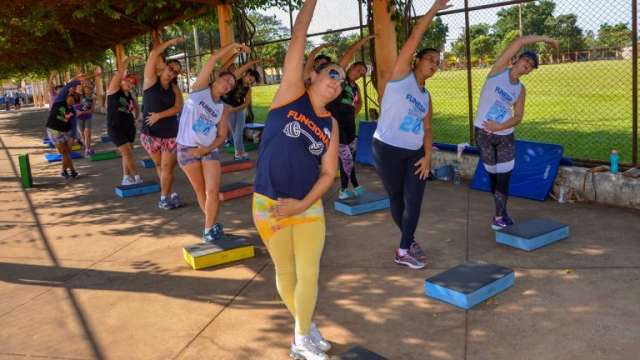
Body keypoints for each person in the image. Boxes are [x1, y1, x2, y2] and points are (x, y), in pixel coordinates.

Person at [252, 0, 342, 358]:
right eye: (332, 74)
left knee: (309, 273)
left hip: (307, 207)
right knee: (285, 272)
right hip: (268, 205)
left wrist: (303, 203)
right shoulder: (291, 94)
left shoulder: (330, 125)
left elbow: (328, 172)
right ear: (313, 77)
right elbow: (299, 33)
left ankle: (300, 340)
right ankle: (306, 328)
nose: (337, 82)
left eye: (343, 80)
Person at [372, 0, 451, 270]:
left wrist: (428, 156)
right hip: (386, 149)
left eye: (437, 63)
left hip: (415, 152)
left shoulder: (427, 97)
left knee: (414, 200)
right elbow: (416, 34)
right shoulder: (400, 75)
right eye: (430, 59)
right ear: (416, 60)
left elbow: (428, 128)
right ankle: (410, 240)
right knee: (396, 198)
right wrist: (434, 10)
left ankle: (403, 250)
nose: (434, 65)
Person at [474, 35, 558, 230]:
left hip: (504, 136)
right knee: (493, 177)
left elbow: (518, 116)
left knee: (504, 177)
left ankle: (498, 216)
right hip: (483, 134)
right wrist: (546, 39)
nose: (528, 65)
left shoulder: (521, 90)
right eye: (526, 60)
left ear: (529, 72)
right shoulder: (497, 72)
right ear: (516, 60)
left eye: (531, 65)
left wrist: (500, 127)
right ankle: (501, 213)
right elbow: (518, 42)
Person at [176, 42, 249, 242]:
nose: (228, 83)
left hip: (208, 150)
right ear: (216, 79)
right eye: (225, 79)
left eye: (231, 84)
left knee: (212, 191)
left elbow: (222, 136)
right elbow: (213, 59)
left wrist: (206, 149)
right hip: (186, 149)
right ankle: (211, 224)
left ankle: (208, 229)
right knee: (200, 190)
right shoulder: (199, 89)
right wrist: (234, 46)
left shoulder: (222, 108)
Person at [326, 35, 375, 199]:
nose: (360, 73)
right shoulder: (340, 79)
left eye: (362, 72)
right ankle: (348, 187)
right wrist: (363, 41)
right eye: (358, 69)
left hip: (349, 124)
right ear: (350, 67)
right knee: (345, 156)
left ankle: (349, 187)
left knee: (348, 157)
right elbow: (346, 56)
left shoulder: (355, 87)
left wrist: (354, 112)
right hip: (335, 123)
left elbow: (359, 102)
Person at [141, 37, 185, 210]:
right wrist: (172, 41)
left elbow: (178, 107)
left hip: (170, 135)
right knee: (160, 166)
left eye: (176, 72)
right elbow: (153, 54)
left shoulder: (175, 89)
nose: (172, 72)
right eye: (171, 67)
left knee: (167, 167)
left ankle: (164, 199)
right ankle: (169, 192)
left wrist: (159, 115)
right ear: (164, 66)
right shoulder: (150, 81)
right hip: (150, 135)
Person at [106, 44, 143, 186]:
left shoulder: (129, 95)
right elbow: (120, 71)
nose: (130, 84)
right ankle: (137, 177)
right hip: (115, 127)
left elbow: (137, 107)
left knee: (127, 154)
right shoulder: (114, 90)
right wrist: (130, 58)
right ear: (122, 80)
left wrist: (136, 118)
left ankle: (126, 177)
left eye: (132, 83)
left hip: (129, 126)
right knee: (127, 153)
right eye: (128, 81)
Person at [46, 78, 84, 179]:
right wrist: (79, 81)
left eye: (75, 99)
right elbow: (67, 86)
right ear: (67, 96)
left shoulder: (73, 111)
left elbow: (74, 125)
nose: (72, 100)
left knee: (67, 152)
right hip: (54, 130)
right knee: (64, 152)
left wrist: (73, 137)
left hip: (66, 131)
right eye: (71, 96)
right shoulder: (59, 101)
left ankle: (67, 171)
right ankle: (70, 170)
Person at [222, 60, 260, 160]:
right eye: (250, 78)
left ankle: (238, 154)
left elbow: (246, 103)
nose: (250, 81)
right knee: (235, 132)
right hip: (227, 108)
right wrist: (253, 62)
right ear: (246, 74)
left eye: (252, 81)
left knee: (238, 131)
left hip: (238, 110)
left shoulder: (248, 89)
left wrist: (235, 109)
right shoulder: (236, 79)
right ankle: (239, 153)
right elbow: (235, 70)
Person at [75, 84, 95, 157]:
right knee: (82, 134)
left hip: (87, 117)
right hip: (78, 118)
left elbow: (92, 110)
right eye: (86, 88)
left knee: (87, 133)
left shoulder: (91, 99)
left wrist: (83, 112)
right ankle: (87, 148)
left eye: (90, 89)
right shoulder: (78, 96)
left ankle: (87, 149)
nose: (88, 90)